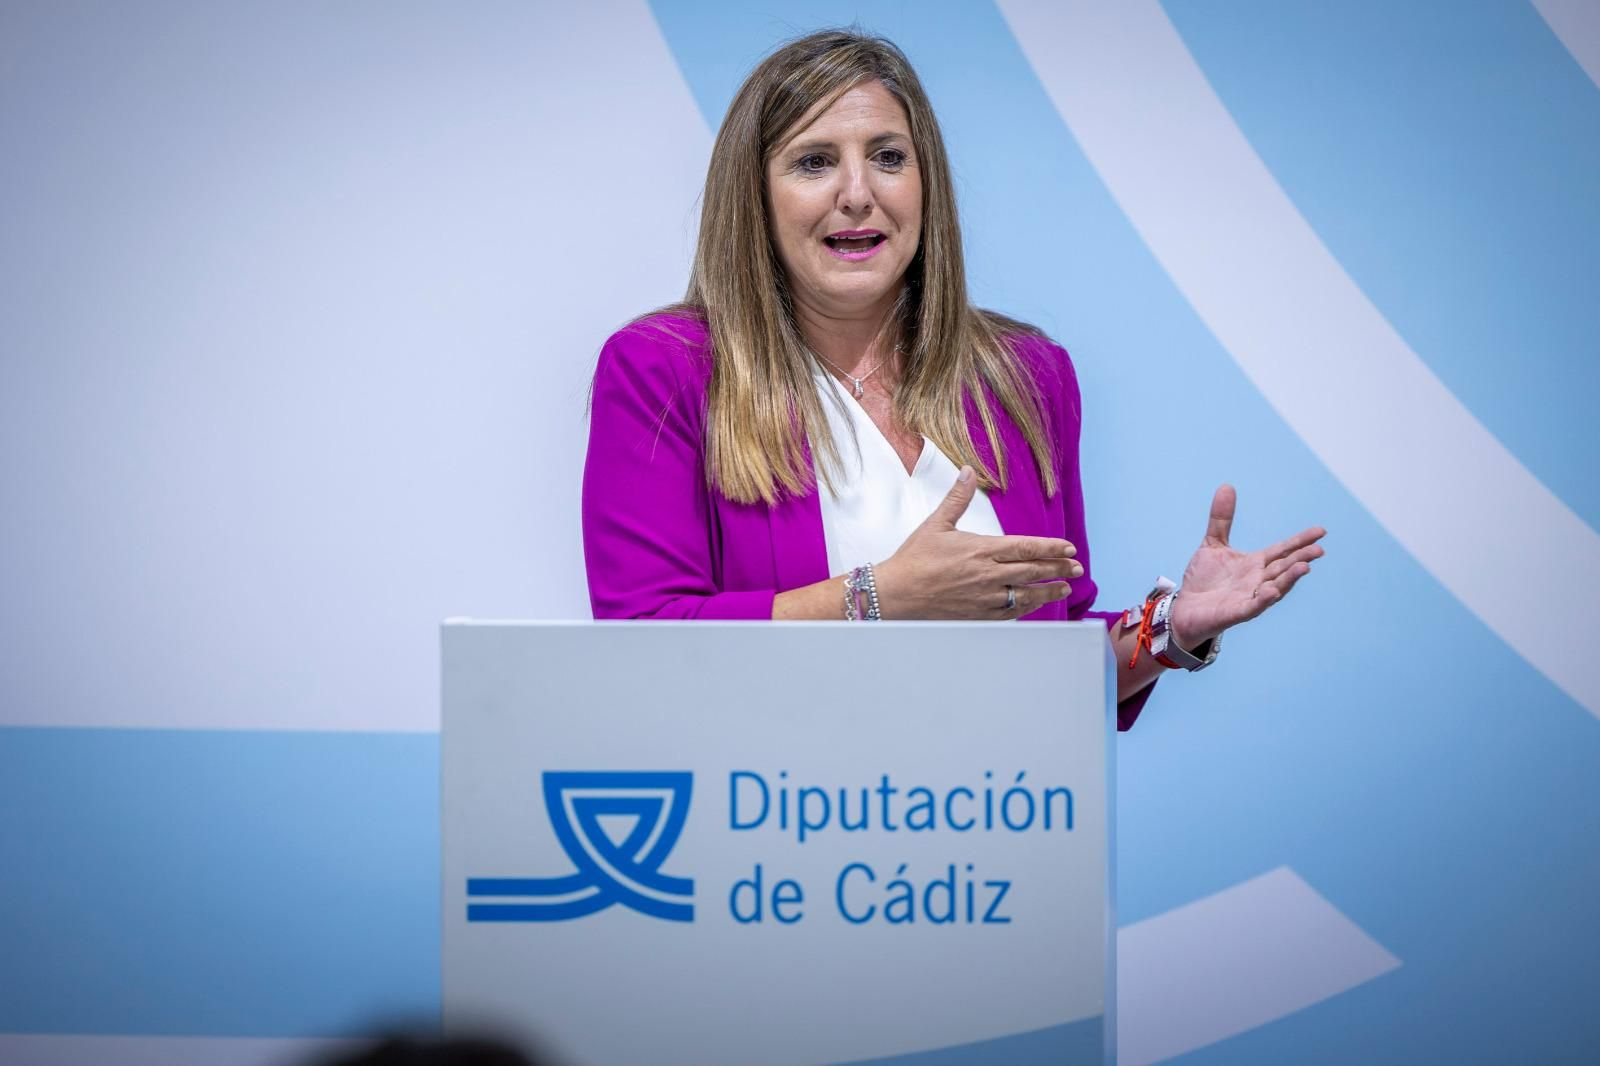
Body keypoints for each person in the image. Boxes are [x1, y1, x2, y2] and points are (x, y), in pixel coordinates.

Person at [581, 29, 1324, 729]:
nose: (857, 192)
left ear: (926, 183)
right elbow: (644, 642)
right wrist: (880, 598)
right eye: (814, 162)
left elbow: (1056, 657)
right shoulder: (666, 370)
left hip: (989, 813)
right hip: (773, 810)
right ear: (754, 197)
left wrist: (1169, 630)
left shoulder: (1025, 376)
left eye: (888, 157)